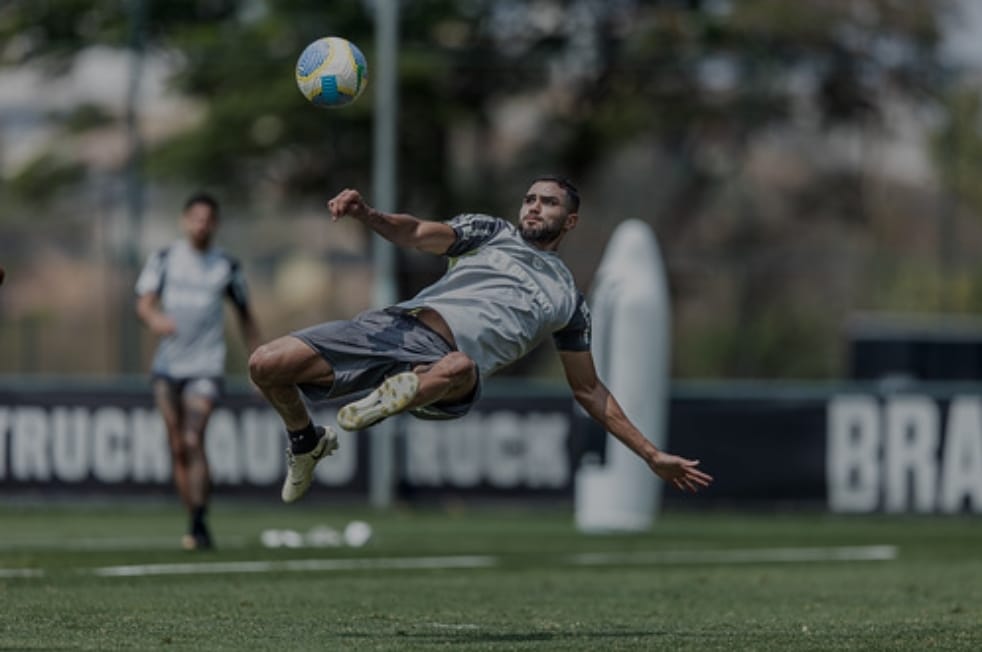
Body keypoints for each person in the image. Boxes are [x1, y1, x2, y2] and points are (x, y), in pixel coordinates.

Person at [249, 176, 713, 503]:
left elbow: (589, 390)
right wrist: (365, 213)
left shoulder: (569, 301)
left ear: (569, 221)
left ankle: (389, 400)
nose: (534, 206)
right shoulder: (490, 232)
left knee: (459, 366)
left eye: (548, 202)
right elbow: (413, 233)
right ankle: (306, 440)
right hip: (391, 328)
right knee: (265, 364)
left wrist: (651, 454)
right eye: (530, 198)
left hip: (448, 374)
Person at [135, 192, 262, 550]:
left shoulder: (226, 266)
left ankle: (200, 521)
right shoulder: (164, 259)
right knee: (177, 446)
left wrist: (260, 366)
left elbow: (247, 319)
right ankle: (193, 518)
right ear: (184, 221)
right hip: (167, 367)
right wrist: (155, 319)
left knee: (194, 438)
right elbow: (143, 304)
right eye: (196, 218)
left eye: (208, 219)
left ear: (216, 224)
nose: (202, 225)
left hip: (205, 366)